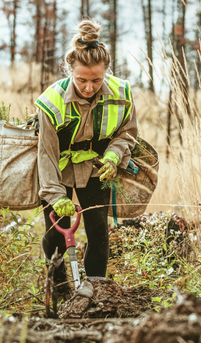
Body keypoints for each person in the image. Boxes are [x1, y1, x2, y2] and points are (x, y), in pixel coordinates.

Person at [35, 19, 137, 298]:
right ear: (70, 72)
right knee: (55, 233)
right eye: (81, 80)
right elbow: (46, 155)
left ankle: (96, 293)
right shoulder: (51, 101)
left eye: (96, 80)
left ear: (106, 71)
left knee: (98, 232)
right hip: (58, 169)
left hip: (96, 169)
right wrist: (56, 197)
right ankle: (59, 293)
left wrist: (114, 156)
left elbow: (128, 133)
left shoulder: (122, 94)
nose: (89, 87)